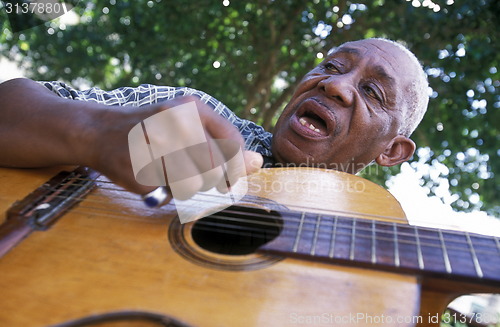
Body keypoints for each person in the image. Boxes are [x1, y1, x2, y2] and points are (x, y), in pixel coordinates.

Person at [0, 38, 428, 203]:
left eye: (373, 92)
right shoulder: (192, 117)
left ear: (393, 151)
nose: (335, 86)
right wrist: (93, 133)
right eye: (332, 66)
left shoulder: (363, 236)